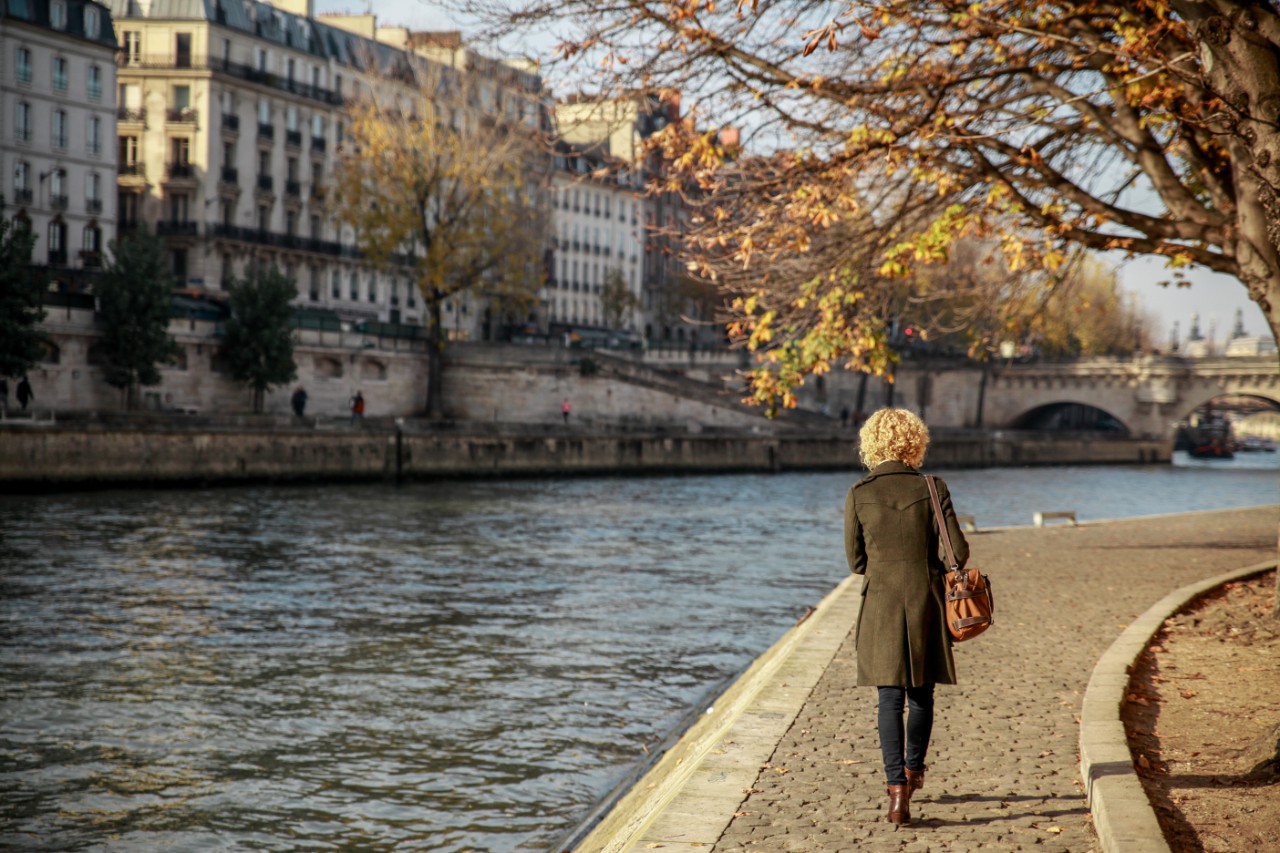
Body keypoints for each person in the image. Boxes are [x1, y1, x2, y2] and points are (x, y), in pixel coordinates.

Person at [844, 407, 969, 825]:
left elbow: (855, 561)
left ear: (871, 444)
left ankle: (896, 790)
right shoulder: (934, 487)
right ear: (915, 443)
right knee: (921, 695)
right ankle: (914, 771)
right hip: (925, 598)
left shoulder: (859, 492)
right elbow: (959, 553)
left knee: (888, 698)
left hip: (880, 600)